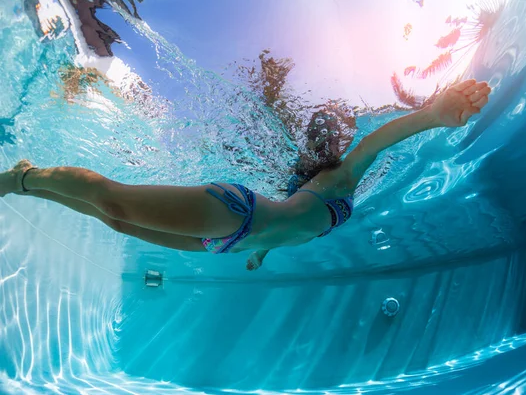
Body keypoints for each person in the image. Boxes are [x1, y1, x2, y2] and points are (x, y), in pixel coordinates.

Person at [0, 79, 490, 270]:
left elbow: (292, 226)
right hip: (235, 213)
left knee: (117, 222)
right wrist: (432, 116)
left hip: (227, 244)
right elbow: (374, 142)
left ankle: (32, 187)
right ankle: (25, 177)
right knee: (114, 201)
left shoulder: (306, 197)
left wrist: (259, 253)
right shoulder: (340, 180)